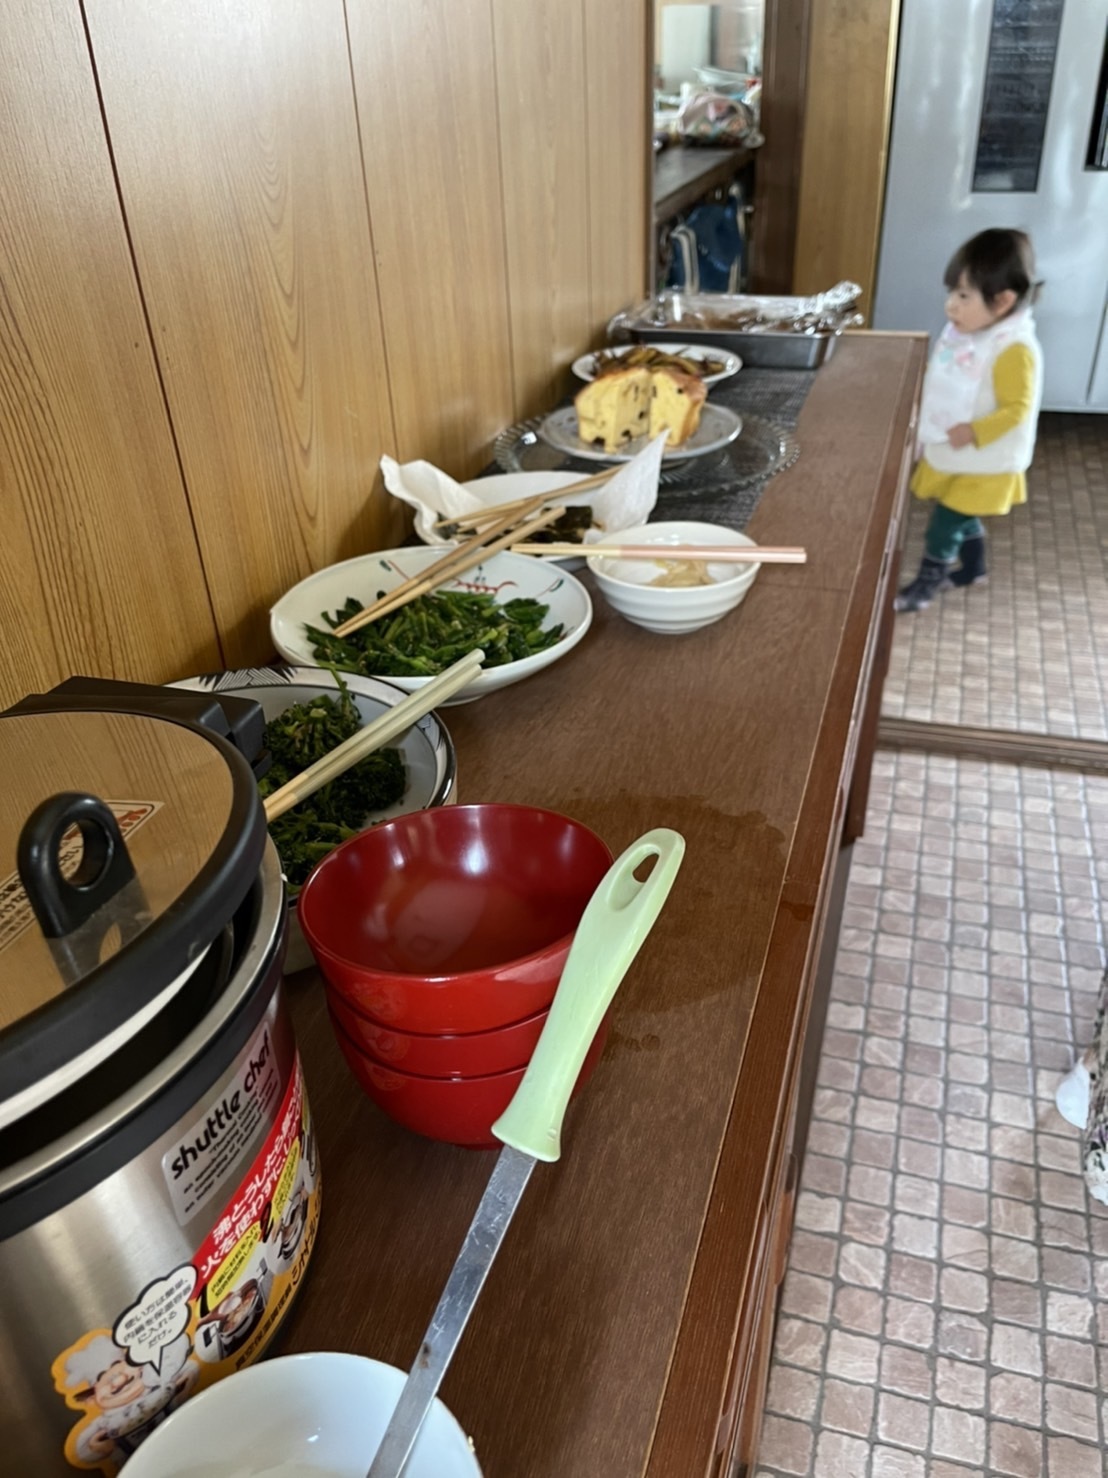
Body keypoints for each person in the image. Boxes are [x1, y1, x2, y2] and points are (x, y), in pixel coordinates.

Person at [894, 228, 1043, 613]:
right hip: (965, 456)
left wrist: (975, 431)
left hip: (986, 460)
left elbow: (1017, 408)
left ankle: (927, 585)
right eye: (952, 293)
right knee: (962, 512)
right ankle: (974, 568)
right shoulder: (970, 333)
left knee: (945, 523)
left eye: (963, 296)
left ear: (1003, 300)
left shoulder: (1014, 350)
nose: (951, 306)